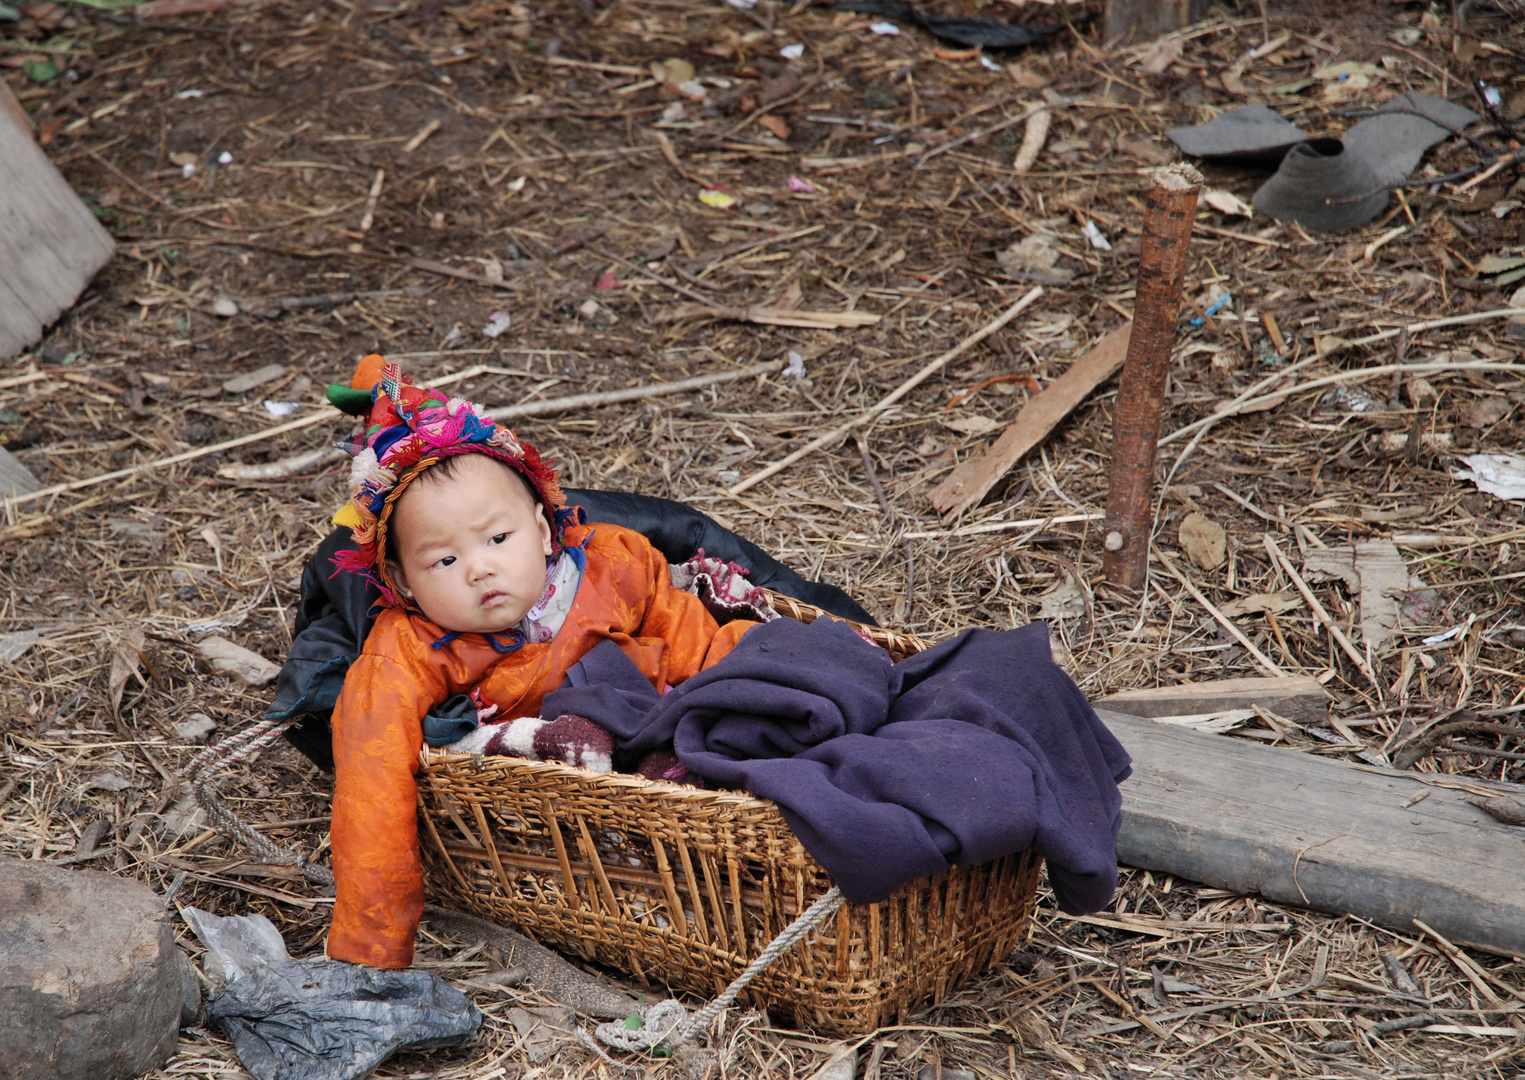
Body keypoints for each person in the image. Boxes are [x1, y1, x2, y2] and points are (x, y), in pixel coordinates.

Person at [324, 355, 758, 968]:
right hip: (549, 810)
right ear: (403, 581)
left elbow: (701, 651)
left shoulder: (612, 565)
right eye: (443, 561)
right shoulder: (406, 650)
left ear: (541, 525)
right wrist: (372, 949)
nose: (480, 568)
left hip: (663, 742)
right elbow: (372, 786)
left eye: (498, 539)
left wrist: (757, 712)